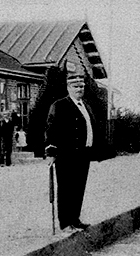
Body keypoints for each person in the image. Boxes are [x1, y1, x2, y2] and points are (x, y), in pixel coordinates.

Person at [44, 70, 97, 235]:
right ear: (68, 88)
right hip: (67, 154)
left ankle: (75, 219)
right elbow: (51, 129)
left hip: (83, 153)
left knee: (78, 187)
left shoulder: (85, 105)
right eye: (75, 86)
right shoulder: (59, 105)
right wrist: (51, 152)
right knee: (66, 188)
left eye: (82, 86)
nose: (79, 89)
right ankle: (65, 222)